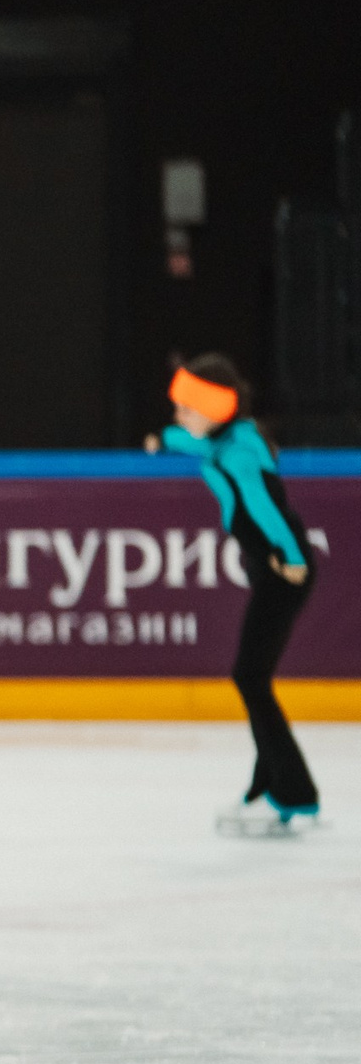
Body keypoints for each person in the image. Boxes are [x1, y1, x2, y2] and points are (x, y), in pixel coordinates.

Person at [143, 355, 322, 833]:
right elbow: (188, 438)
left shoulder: (239, 451)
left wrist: (293, 561)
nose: (178, 416)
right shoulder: (223, 437)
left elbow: (265, 511)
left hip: (282, 568)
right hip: (270, 567)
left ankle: (294, 795)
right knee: (252, 677)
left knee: (249, 676)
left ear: (213, 408)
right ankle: (271, 791)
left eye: (185, 408)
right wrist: (163, 440)